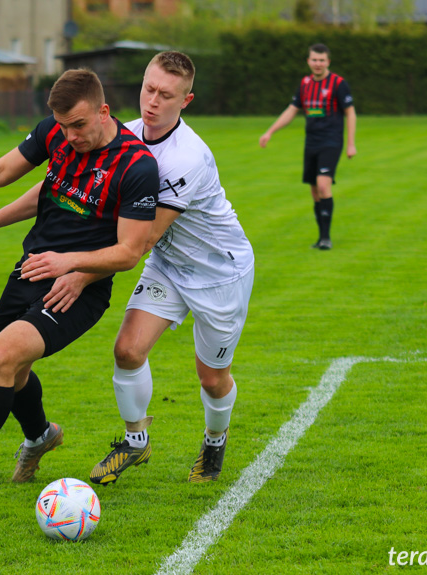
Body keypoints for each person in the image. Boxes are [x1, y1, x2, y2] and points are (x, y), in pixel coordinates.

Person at [0, 69, 159, 509]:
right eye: (63, 126)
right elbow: (2, 172)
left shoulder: (137, 165)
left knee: (1, 356)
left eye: (79, 125)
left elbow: (130, 251)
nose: (69, 135)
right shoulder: (55, 131)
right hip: (33, 269)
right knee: (10, 370)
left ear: (104, 111)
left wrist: (70, 263)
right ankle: (40, 436)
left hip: (79, 288)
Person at [79, 51, 255, 485]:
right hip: (169, 265)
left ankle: (214, 441)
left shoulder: (186, 158)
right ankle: (136, 441)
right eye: (148, 89)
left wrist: (77, 272)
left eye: (166, 94)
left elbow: (141, 240)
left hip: (220, 273)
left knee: (212, 378)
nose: (152, 101)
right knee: (127, 350)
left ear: (186, 100)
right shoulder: (125, 133)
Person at [258, 43, 356, 250]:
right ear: (308, 61)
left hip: (331, 141)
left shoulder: (338, 83)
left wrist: (351, 144)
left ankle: (326, 238)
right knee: (314, 191)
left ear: (328, 61)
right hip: (311, 142)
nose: (318, 63)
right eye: (314, 60)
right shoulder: (304, 84)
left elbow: (350, 112)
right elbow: (292, 110)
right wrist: (270, 131)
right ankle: (321, 238)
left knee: (323, 185)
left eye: (322, 60)